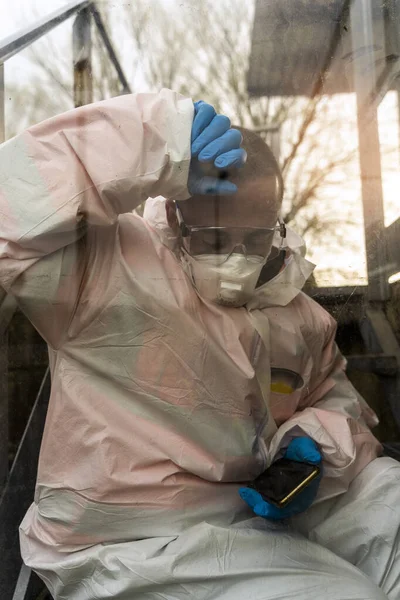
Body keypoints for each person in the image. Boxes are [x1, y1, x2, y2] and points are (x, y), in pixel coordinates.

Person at [0, 89, 399, 600]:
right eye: (211, 239)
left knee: (388, 492)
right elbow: (12, 209)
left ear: (277, 224)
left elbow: (329, 391)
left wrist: (314, 442)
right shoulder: (104, 268)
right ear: (174, 214)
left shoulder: (295, 312)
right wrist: (150, 140)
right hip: (127, 544)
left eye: (253, 241)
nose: (235, 260)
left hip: (247, 516)